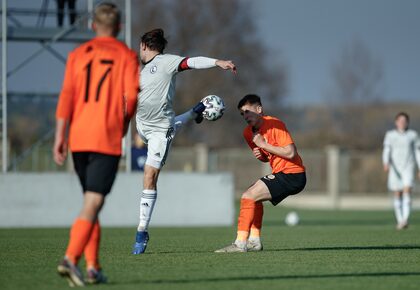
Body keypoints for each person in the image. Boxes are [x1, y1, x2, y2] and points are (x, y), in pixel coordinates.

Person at [53, 3, 139, 286]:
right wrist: (125, 126)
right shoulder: (126, 56)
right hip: (105, 137)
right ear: (119, 28)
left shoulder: (77, 55)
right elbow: (131, 98)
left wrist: (60, 137)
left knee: (91, 202)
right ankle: (70, 259)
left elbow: (66, 96)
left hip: (78, 137)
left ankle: (94, 267)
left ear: (92, 27)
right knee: (94, 201)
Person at [132, 28, 237, 254]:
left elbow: (192, 62)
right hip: (141, 127)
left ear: (143, 45)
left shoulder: (167, 62)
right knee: (169, 128)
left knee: (149, 176)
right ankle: (193, 113)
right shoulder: (138, 72)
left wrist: (217, 61)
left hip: (161, 130)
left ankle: (142, 231)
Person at [215, 94, 306, 253]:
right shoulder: (248, 133)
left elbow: (291, 153)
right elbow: (267, 157)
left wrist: (264, 144)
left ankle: (240, 243)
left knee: (247, 196)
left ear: (259, 109)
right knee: (253, 198)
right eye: (242, 113)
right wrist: (262, 155)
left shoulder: (275, 124)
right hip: (282, 173)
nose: (245, 116)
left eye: (248, 111)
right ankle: (254, 241)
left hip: (293, 174)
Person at [382, 112, 420, 230]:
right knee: (397, 193)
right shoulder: (390, 135)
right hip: (395, 168)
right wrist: (385, 162)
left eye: (404, 121)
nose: (402, 123)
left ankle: (405, 219)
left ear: (407, 122)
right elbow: (387, 150)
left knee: (407, 190)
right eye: (400, 121)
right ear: (396, 122)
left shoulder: (412, 135)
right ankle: (399, 220)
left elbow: (417, 152)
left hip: (408, 166)